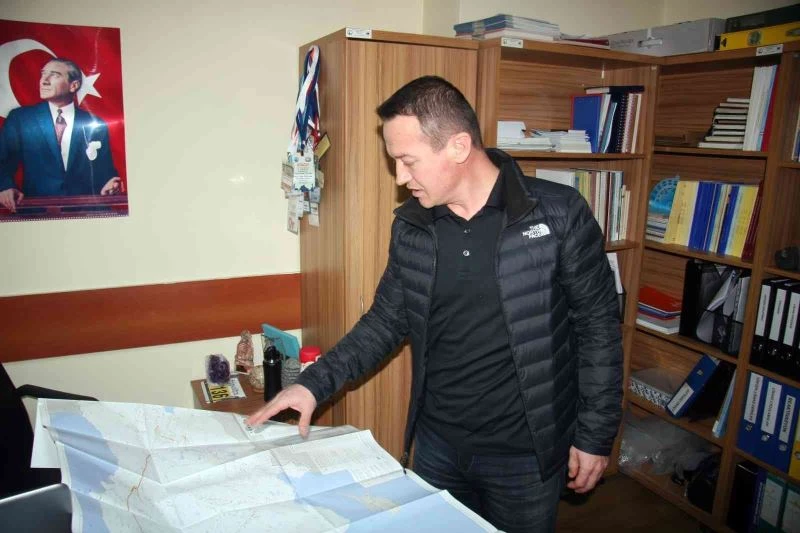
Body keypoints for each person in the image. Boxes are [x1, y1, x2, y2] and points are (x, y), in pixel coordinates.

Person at [246, 75, 622, 532]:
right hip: (437, 446)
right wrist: (312, 385)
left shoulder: (558, 213)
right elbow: (385, 321)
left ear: (459, 147)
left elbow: (599, 329)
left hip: (525, 456)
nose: (400, 178)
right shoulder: (413, 226)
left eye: (408, 161)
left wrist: (595, 435)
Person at [0, 57, 123, 212]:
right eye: (43, 74)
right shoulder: (21, 118)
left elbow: (105, 171)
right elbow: (2, 162)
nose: (44, 81)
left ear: (74, 85)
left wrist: (111, 183)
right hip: (36, 213)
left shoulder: (94, 123)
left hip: (85, 213)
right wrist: (5, 187)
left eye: (54, 75)